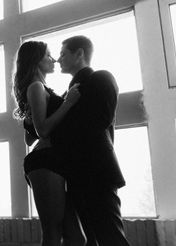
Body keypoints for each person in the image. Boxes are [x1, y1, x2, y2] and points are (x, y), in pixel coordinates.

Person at [54, 35, 129, 246]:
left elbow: (98, 121)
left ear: (79, 54)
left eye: (63, 54)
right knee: (91, 241)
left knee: (111, 238)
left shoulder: (101, 78)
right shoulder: (66, 96)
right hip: (76, 176)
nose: (58, 60)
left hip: (97, 173)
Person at [12, 41, 85, 246]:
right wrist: (68, 103)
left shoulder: (40, 88)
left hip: (54, 161)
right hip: (45, 162)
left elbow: (30, 137)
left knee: (77, 238)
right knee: (52, 233)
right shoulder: (36, 87)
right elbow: (42, 130)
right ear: (36, 60)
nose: (53, 59)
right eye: (48, 55)